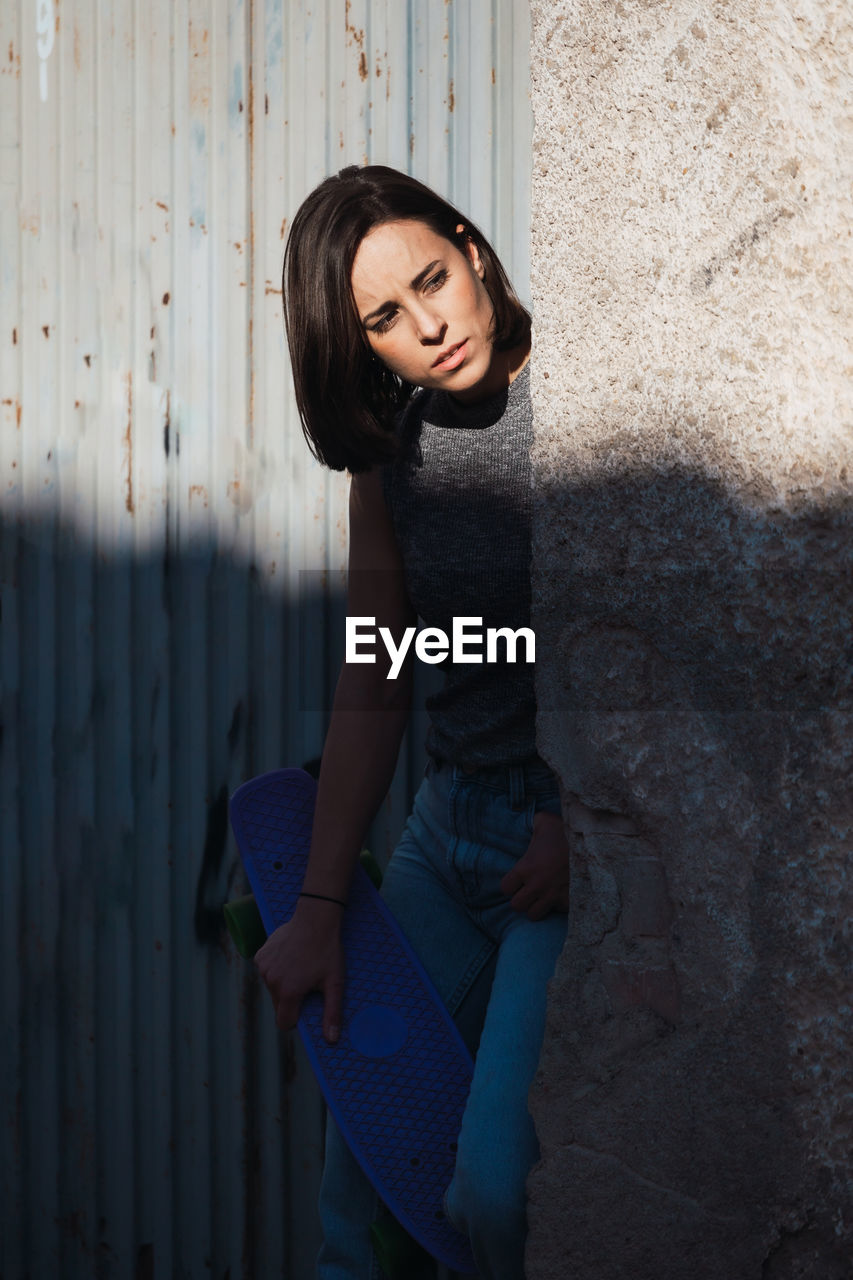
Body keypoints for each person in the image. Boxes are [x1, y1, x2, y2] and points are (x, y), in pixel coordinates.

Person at [255, 164, 571, 1280]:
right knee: (362, 1189)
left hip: (556, 855)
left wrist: (586, 820)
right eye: (385, 317)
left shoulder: (586, 411)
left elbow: (651, 646)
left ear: (472, 249)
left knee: (491, 1186)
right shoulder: (394, 462)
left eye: (432, 279)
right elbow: (376, 680)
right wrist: (319, 908)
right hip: (446, 838)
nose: (428, 325)